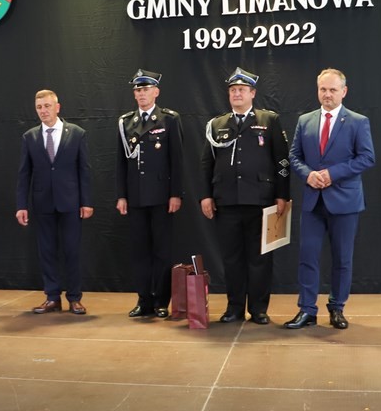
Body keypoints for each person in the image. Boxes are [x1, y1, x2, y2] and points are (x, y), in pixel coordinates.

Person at [284, 68, 375, 331]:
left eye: (333, 90)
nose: (327, 94)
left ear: (343, 92)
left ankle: (337, 308)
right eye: (323, 89)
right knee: (307, 257)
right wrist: (308, 174)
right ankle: (307, 310)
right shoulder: (305, 121)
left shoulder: (358, 122)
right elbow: (294, 156)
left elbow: (367, 158)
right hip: (313, 202)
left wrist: (332, 174)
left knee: (342, 259)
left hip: (345, 202)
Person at [199, 68, 290, 324]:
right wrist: (205, 195)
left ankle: (259, 309)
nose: (237, 93)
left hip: (261, 200)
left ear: (253, 93)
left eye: (241, 89)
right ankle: (235, 307)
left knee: (260, 258)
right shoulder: (216, 124)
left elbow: (282, 161)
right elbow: (206, 163)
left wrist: (282, 195)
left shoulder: (269, 120)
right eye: (232, 90)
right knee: (232, 259)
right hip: (226, 201)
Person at [16, 89, 93, 315]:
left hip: (71, 202)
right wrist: (21, 205)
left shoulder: (76, 133)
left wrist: (86, 202)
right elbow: (24, 174)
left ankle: (74, 298)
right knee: (47, 251)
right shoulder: (29, 137)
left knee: (72, 251)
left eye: (47, 106)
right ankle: (52, 297)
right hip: (42, 203)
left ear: (57, 107)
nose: (43, 111)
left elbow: (84, 170)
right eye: (39, 107)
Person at [115, 70, 184, 319]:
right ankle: (143, 300)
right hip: (135, 197)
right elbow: (121, 162)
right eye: (137, 90)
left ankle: (161, 301)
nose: (141, 94)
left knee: (162, 251)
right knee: (140, 251)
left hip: (161, 196)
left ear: (156, 92)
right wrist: (122, 195)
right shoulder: (126, 122)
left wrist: (176, 193)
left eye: (145, 89)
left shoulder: (169, 119)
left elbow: (177, 160)